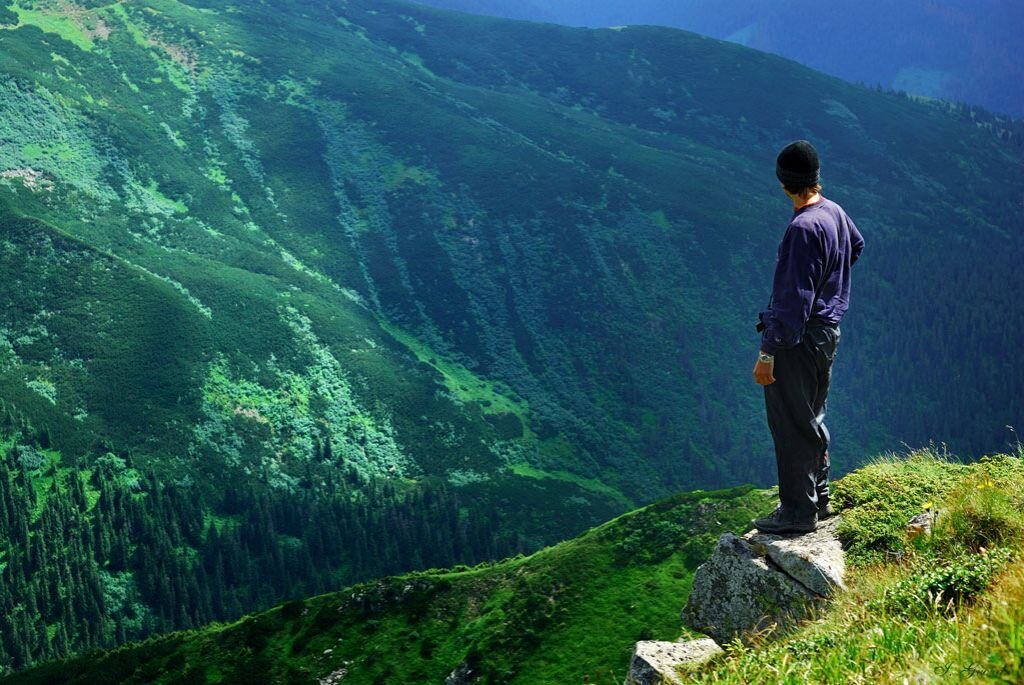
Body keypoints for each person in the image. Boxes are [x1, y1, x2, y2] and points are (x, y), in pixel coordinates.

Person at [751, 140, 864, 534]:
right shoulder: (833, 212)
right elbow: (856, 244)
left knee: (791, 423)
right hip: (827, 334)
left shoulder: (802, 228)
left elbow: (791, 301)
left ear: (784, 184)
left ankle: (799, 512)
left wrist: (768, 353)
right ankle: (820, 496)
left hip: (797, 341)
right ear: (815, 177)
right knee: (812, 416)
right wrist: (831, 286)